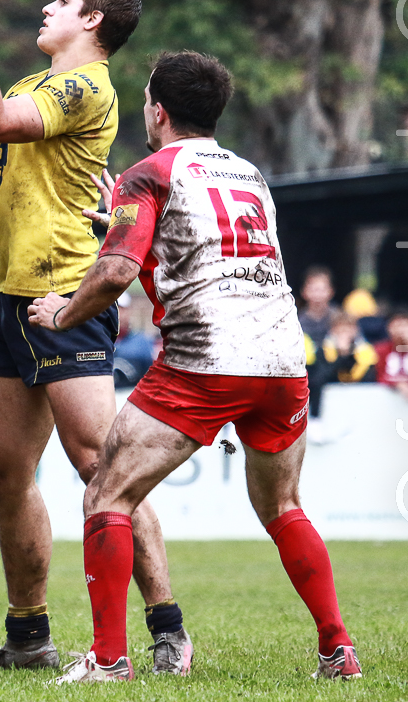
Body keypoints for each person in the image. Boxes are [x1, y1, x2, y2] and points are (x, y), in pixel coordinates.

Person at [28, 50, 359, 682]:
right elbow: (203, 255)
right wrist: (121, 222)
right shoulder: (248, 172)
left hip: (206, 358)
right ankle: (337, 649)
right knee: (284, 505)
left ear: (157, 109)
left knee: (107, 495)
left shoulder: (149, 171)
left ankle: (107, 660)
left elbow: (120, 270)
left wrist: (62, 313)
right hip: (283, 360)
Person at [0, 0, 187, 671]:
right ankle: (28, 637)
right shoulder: (29, 85)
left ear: (93, 21)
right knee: (5, 473)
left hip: (66, 297)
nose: (47, 6)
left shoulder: (86, 85)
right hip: (15, 300)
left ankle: (168, 627)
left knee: (100, 465)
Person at [297, 266, 338, 346]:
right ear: (303, 291)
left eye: (322, 289)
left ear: (331, 291)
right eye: (313, 289)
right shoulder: (298, 320)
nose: (318, 295)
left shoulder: (339, 317)